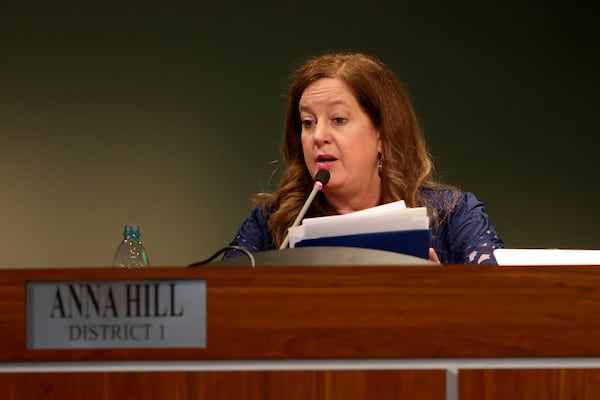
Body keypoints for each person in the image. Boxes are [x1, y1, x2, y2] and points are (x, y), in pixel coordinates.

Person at [224, 52, 504, 264]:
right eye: (308, 122)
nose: (318, 135)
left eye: (338, 119)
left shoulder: (452, 217)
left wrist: (441, 294)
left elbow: (504, 303)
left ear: (382, 134)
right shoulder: (273, 224)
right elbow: (212, 308)